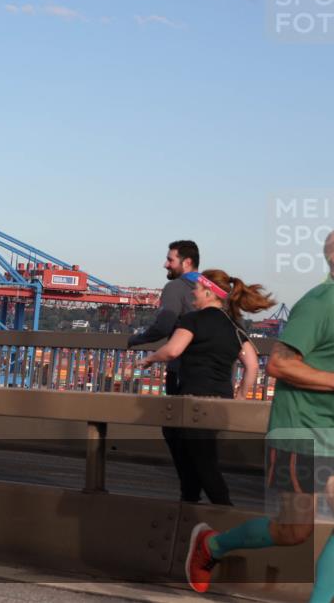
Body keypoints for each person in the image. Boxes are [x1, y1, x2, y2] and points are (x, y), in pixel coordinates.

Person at [185, 232, 334, 602]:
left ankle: (212, 545)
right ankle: (212, 546)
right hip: (302, 429)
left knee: (294, 531)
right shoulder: (321, 303)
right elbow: (280, 365)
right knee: (292, 531)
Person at [138, 269, 274, 505]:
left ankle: (223, 514)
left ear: (210, 292)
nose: (193, 293)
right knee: (196, 453)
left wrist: (150, 359)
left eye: (198, 289)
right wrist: (240, 397)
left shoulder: (192, 320)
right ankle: (190, 503)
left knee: (202, 462)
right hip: (221, 401)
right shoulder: (234, 326)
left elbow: (173, 350)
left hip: (194, 400)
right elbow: (252, 366)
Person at [129, 241, 200, 500]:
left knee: (173, 429)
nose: (165, 264)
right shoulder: (213, 289)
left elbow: (163, 325)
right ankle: (205, 492)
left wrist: (136, 340)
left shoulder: (176, 287)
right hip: (215, 372)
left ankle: (191, 492)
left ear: (186, 262)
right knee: (200, 433)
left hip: (182, 369)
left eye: (170, 260)